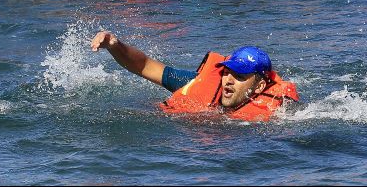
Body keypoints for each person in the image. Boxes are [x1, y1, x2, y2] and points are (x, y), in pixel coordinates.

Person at [91, 31, 299, 122]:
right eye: (227, 72)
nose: (228, 79)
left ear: (260, 85)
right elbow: (145, 66)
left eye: (239, 76)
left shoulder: (277, 116)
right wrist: (114, 45)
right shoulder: (198, 84)